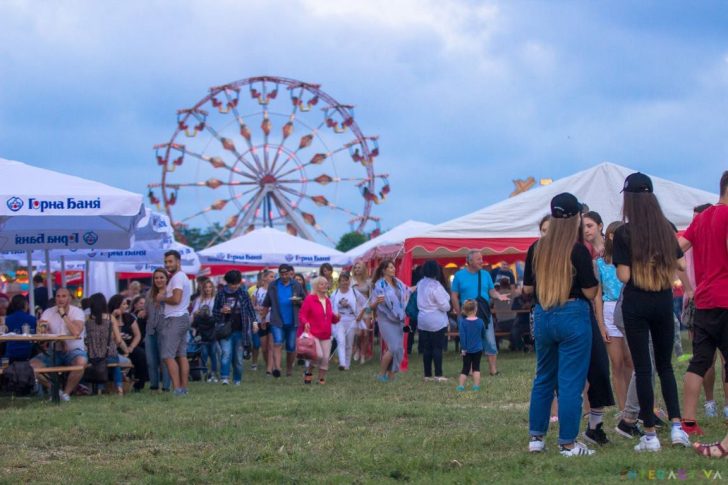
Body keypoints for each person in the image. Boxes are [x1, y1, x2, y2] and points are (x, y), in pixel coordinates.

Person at [612, 172, 690, 451]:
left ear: (629, 199)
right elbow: (681, 265)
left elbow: (623, 275)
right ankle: (678, 428)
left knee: (644, 368)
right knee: (665, 366)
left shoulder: (624, 233)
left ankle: (650, 435)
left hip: (636, 303)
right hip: (662, 301)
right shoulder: (665, 228)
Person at [524, 192, 598, 457]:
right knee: (570, 382)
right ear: (576, 217)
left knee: (543, 378)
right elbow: (590, 292)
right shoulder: (578, 250)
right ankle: (568, 443)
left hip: (544, 313)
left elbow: (527, 288)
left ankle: (536, 438)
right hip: (573, 314)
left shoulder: (536, 248)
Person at [681, 171, 728, 446]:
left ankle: (688, 422)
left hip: (705, 300)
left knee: (700, 360)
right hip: (726, 297)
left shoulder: (702, 218)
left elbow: (677, 248)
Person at [580, 211, 616, 446]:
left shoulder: (609, 251)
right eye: (583, 226)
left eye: (590, 225)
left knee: (614, 365)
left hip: (615, 307)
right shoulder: (584, 252)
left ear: (600, 226)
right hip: (596, 311)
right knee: (594, 366)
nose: (586, 230)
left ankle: (627, 410)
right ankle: (589, 414)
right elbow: (595, 294)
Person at [594, 221, 633, 413]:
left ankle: (636, 405)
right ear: (611, 236)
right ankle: (623, 408)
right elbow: (597, 296)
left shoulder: (630, 259)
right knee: (616, 363)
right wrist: (601, 324)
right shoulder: (600, 263)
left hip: (629, 307)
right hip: (609, 310)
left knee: (631, 361)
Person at [451, 251, 510, 376]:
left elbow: (492, 291)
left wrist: (498, 296)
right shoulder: (459, 276)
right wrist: (459, 312)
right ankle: (470, 370)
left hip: (484, 312)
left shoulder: (486, 274)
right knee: (468, 343)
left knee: (490, 341)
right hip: (467, 314)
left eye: (481, 258)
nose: (481, 261)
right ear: (470, 261)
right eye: (478, 259)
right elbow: (454, 295)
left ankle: (493, 370)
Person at [30, 288, 87, 402]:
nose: (60, 299)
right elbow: (41, 333)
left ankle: (66, 394)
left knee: (81, 362)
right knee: (32, 366)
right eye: (58, 296)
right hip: (54, 351)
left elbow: (76, 332)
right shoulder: (48, 312)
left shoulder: (77, 312)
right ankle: (57, 391)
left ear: (69, 299)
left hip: (74, 350)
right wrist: (42, 332)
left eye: (64, 296)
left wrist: (63, 315)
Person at [156, 250, 192, 396]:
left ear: (178, 262)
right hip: (183, 317)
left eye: (170, 261)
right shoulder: (181, 277)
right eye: (166, 262)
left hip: (175, 318)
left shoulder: (177, 278)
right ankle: (183, 389)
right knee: (181, 355)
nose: (167, 264)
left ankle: (177, 389)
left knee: (167, 355)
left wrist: (162, 298)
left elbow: (176, 299)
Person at [212, 270, 258, 385]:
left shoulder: (243, 293)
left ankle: (237, 379)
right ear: (227, 282)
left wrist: (254, 322)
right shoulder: (221, 294)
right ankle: (225, 377)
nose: (235, 286)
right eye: (233, 284)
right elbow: (214, 312)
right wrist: (221, 311)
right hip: (225, 330)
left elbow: (250, 309)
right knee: (226, 353)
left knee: (238, 357)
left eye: (237, 283)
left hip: (241, 330)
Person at [263, 264, 306, 378]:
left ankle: (289, 368)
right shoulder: (273, 285)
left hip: (292, 321)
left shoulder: (296, 285)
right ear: (279, 274)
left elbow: (304, 301)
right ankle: (277, 368)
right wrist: (263, 318)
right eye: (282, 274)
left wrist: (298, 301)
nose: (284, 276)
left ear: (290, 273)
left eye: (286, 274)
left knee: (291, 347)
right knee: (277, 343)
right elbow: (266, 303)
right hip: (277, 320)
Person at [370, 260, 410, 382]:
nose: (394, 269)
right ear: (384, 270)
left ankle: (391, 375)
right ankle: (381, 374)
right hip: (385, 319)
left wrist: (419, 286)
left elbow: (408, 290)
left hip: (399, 319)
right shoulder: (379, 285)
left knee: (399, 349)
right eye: (391, 267)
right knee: (393, 348)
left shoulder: (398, 282)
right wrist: (377, 302)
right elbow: (371, 306)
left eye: (393, 267)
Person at [85, 293, 130, 395]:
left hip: (93, 357)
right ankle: (119, 389)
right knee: (116, 365)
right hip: (110, 355)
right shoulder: (110, 318)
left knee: (100, 365)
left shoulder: (87, 320)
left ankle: (99, 390)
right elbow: (119, 340)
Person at [298, 276, 339, 384]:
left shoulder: (328, 300)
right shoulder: (310, 299)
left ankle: (321, 379)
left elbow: (330, 317)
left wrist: (336, 318)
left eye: (326, 283)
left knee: (325, 358)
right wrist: (305, 322)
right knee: (318, 355)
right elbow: (302, 314)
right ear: (316, 286)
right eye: (322, 284)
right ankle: (308, 372)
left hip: (326, 334)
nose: (325, 285)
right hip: (313, 333)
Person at [416, 260, 451, 382]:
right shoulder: (436, 286)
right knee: (437, 347)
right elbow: (445, 305)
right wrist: (448, 306)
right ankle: (438, 374)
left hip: (422, 319)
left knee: (426, 348)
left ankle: (427, 374)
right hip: (436, 319)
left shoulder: (420, 283)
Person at [109, 295, 148, 391]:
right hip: (115, 347)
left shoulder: (129, 317)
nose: (126, 306)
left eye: (126, 304)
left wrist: (131, 347)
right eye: (124, 304)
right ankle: (118, 382)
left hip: (130, 345)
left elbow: (137, 335)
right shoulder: (108, 318)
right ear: (116, 305)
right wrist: (113, 317)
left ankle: (139, 384)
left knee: (141, 354)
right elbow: (113, 337)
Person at [331, 272, 366, 371]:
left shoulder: (354, 292)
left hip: (351, 320)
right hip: (339, 320)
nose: (344, 282)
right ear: (339, 282)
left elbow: (365, 303)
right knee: (341, 341)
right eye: (342, 280)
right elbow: (330, 307)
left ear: (349, 281)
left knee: (349, 344)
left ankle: (347, 364)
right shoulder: (335, 293)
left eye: (346, 280)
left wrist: (360, 314)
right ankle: (342, 363)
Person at [145, 268, 171, 392]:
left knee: (164, 360)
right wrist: (143, 312)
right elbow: (147, 310)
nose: (159, 280)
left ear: (166, 279)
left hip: (165, 330)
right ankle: (154, 386)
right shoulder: (149, 293)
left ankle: (166, 386)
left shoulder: (171, 292)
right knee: (151, 360)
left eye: (161, 277)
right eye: (156, 278)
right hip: (150, 330)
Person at [192, 278, 219, 382]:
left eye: (210, 287)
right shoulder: (199, 300)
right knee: (203, 354)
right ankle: (204, 374)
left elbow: (218, 314)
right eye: (206, 287)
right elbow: (193, 313)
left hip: (212, 329)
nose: (208, 289)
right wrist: (199, 312)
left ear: (212, 288)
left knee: (213, 353)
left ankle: (213, 373)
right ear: (203, 289)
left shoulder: (216, 299)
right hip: (202, 330)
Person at [457, 300, 485, 391]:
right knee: (476, 368)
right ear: (476, 309)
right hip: (478, 349)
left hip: (467, 350)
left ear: (464, 310)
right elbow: (483, 334)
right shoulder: (480, 322)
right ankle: (476, 386)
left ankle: (461, 386)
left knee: (465, 368)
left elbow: (462, 337)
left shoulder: (463, 322)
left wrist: (463, 349)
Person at [253, 270, 274, 373]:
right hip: (260, 321)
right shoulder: (257, 291)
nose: (273, 278)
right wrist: (256, 307)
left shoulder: (275, 291)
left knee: (271, 346)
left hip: (272, 320)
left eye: (273, 276)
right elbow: (252, 305)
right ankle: (268, 364)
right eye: (271, 276)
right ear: (264, 278)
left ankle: (270, 368)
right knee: (264, 347)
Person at [351, 261, 373, 364]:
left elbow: (371, 296)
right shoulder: (351, 281)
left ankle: (363, 354)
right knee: (358, 333)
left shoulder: (368, 281)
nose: (357, 269)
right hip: (355, 309)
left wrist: (372, 309)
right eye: (355, 268)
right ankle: (357, 348)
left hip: (366, 309)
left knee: (366, 333)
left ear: (363, 269)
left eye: (359, 267)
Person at [4, 295, 36, 361]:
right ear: (25, 304)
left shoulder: (7, 319)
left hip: (10, 353)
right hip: (28, 353)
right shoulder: (32, 319)